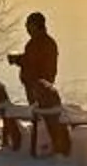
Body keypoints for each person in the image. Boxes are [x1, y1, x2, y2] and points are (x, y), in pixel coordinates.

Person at [8, 11, 66, 155]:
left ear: (35, 25)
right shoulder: (41, 41)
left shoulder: (40, 42)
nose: (26, 28)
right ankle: (42, 142)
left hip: (39, 87)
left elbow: (32, 62)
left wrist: (18, 60)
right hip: (38, 86)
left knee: (40, 117)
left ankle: (42, 143)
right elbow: (31, 60)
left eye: (28, 25)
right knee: (40, 116)